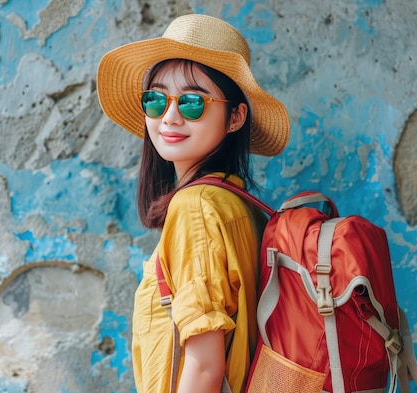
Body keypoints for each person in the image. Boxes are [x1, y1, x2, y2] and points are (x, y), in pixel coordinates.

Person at [97, 14, 290, 393]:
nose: (169, 117)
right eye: (155, 99)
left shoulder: (196, 208)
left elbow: (205, 366)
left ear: (235, 117)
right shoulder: (238, 205)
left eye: (191, 103)